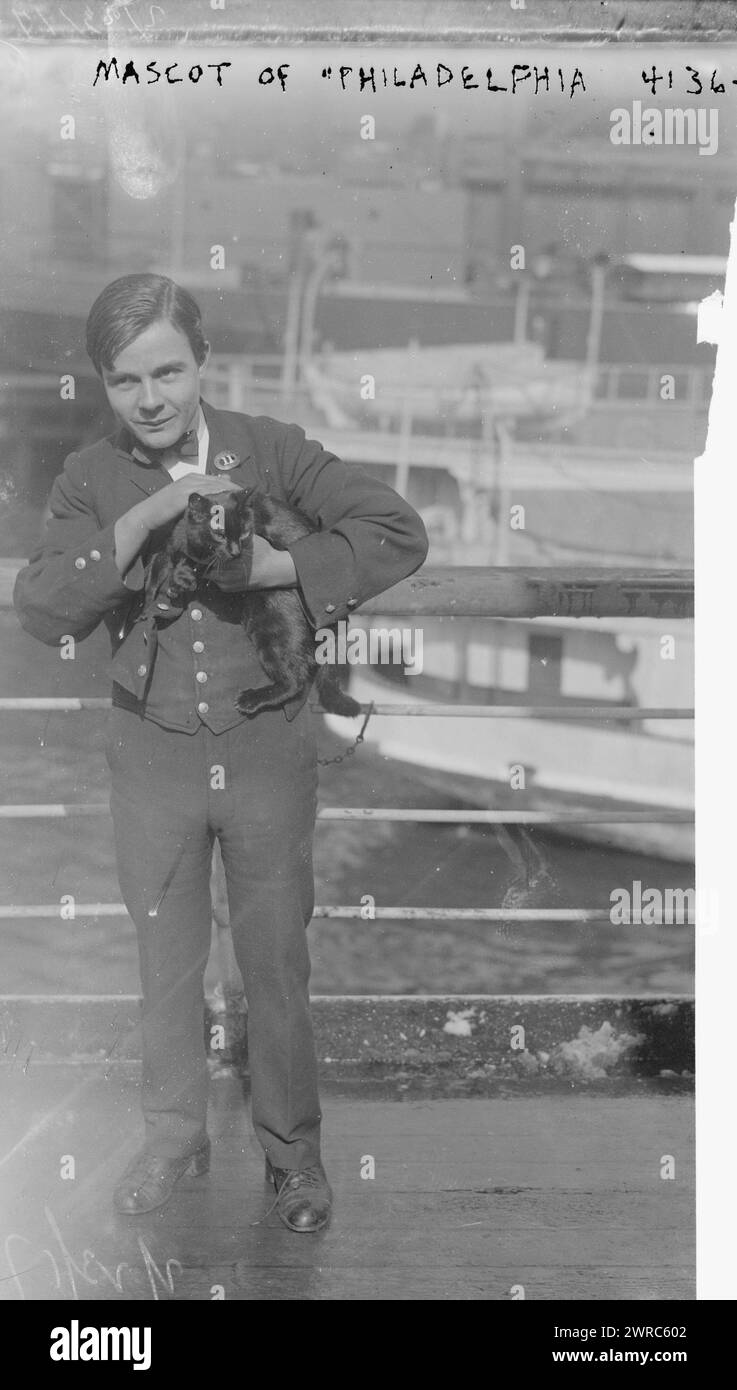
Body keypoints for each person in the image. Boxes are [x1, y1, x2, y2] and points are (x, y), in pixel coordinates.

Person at [13, 273, 428, 1233]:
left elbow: (395, 531)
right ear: (105, 387)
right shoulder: (89, 479)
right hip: (149, 756)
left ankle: (293, 1160)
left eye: (167, 371)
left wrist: (275, 567)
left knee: (275, 962)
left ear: (203, 363)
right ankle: (173, 1142)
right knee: (166, 962)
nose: (150, 399)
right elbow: (41, 606)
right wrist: (148, 517)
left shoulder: (271, 450)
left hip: (265, 751)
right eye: (125, 382)